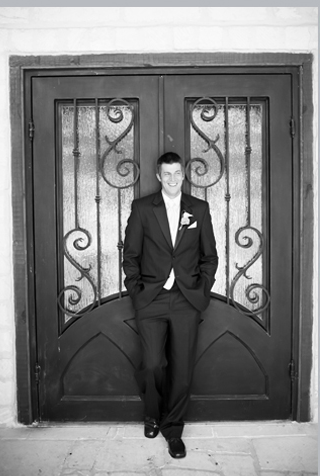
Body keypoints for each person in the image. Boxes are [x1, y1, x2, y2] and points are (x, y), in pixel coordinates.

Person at [123, 152, 218, 459]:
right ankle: (152, 414)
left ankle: (173, 428)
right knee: (152, 364)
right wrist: (137, 292)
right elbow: (131, 256)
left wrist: (202, 288)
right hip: (151, 298)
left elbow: (210, 256)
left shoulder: (199, 209)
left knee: (182, 369)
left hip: (187, 299)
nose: (174, 178)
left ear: (183, 174)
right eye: (168, 174)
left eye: (178, 173)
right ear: (158, 175)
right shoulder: (142, 209)